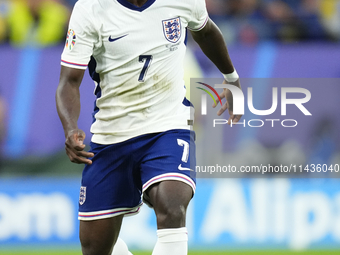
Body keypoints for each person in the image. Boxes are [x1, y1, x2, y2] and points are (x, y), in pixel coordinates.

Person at [55, 0, 242, 254]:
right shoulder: (91, 8)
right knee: (95, 247)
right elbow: (69, 81)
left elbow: (206, 31)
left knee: (172, 205)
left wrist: (231, 78)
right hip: (112, 135)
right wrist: (70, 128)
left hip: (168, 126)